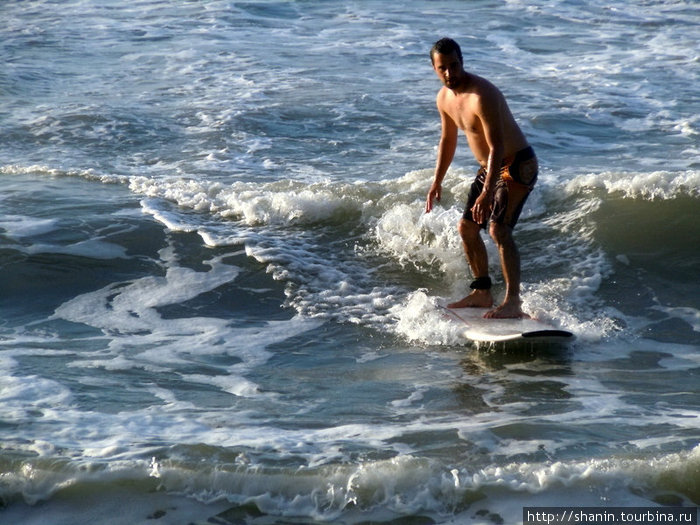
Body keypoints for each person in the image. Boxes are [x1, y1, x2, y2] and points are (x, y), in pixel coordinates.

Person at [425, 37, 538, 319]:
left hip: (516, 163)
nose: (450, 73)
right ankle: (482, 292)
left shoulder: (481, 94)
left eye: (454, 65)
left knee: (499, 230)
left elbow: (497, 146)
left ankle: (513, 302)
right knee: (466, 228)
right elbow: (447, 140)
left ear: (462, 62)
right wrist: (437, 181)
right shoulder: (444, 98)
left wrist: (487, 192)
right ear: (434, 68)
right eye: (443, 68)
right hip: (490, 167)